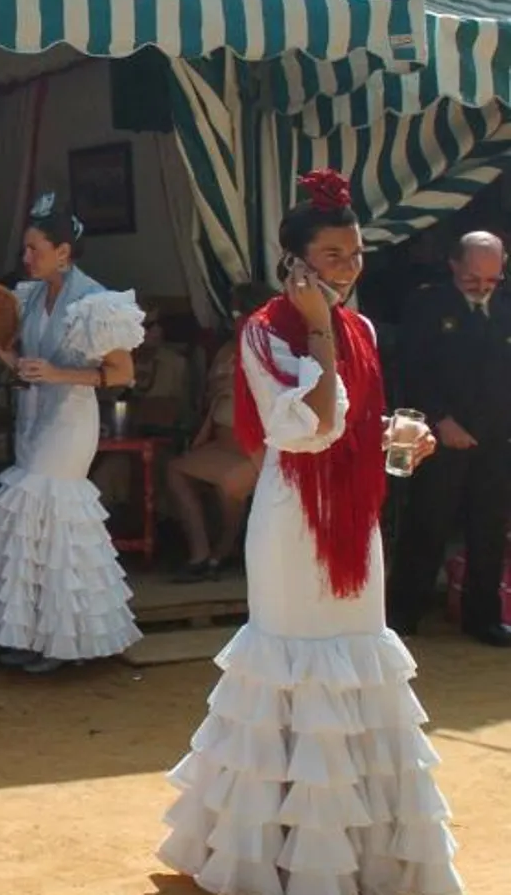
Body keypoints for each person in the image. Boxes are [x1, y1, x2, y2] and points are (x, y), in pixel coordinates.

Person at [159, 169, 461, 895]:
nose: (349, 270)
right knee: (290, 668)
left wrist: (401, 433)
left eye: (356, 255)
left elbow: (355, 424)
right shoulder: (264, 331)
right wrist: (319, 326)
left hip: (356, 520)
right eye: (333, 256)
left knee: (357, 664)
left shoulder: (362, 329)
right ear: (294, 262)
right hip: (294, 520)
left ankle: (358, 851)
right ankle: (276, 851)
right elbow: (312, 426)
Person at [0, 194, 144, 674]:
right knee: (32, 525)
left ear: (63, 251)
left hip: (70, 422)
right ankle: (35, 634)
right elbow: (23, 365)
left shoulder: (95, 302)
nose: (26, 258)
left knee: (53, 515)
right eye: (25, 250)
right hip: (34, 416)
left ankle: (59, 640)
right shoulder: (30, 296)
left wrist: (59, 374)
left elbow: (122, 373)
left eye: (34, 249)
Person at [393, 230, 511, 646]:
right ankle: (404, 613)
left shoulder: (505, 308)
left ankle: (482, 618)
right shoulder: (428, 305)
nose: (483, 287)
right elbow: (412, 369)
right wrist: (441, 420)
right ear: (454, 266)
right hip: (438, 435)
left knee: (489, 529)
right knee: (427, 522)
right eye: (473, 278)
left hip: (496, 439)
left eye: (492, 279)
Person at [166, 283, 276, 584]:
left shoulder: (275, 351)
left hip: (256, 447)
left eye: (242, 310)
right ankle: (199, 553)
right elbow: (212, 394)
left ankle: (224, 552)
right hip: (223, 439)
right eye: (234, 310)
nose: (236, 316)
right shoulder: (228, 349)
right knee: (175, 471)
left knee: (229, 486)